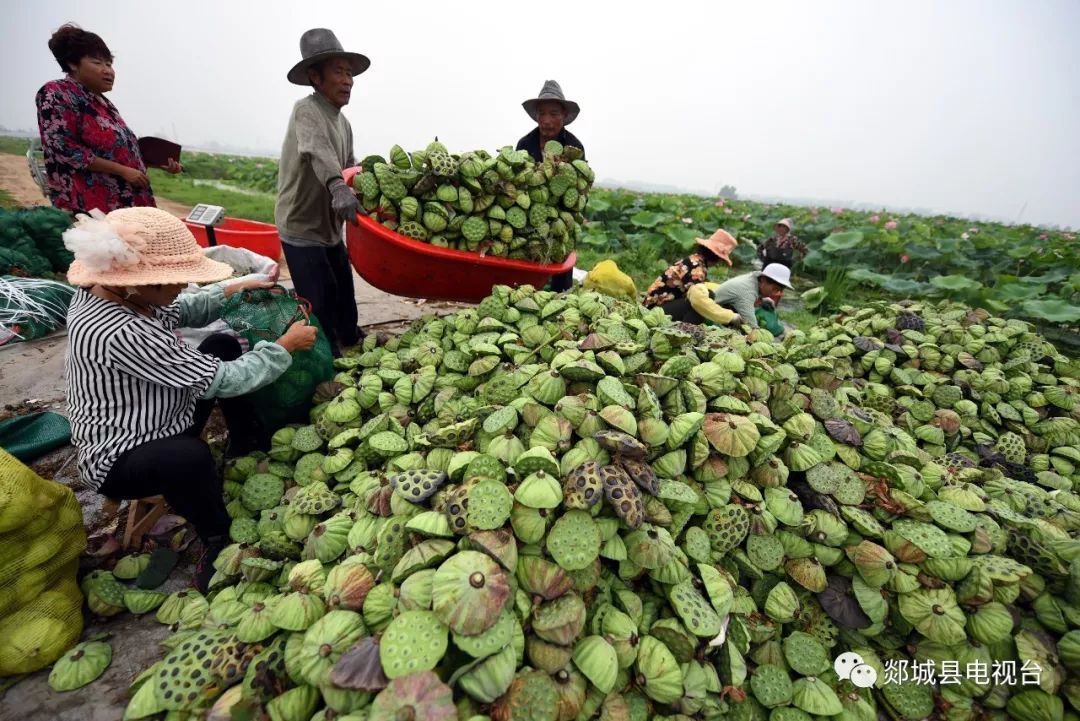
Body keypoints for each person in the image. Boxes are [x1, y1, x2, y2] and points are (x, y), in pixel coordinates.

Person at [63, 207, 318, 592]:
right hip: (122, 454)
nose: (183, 286)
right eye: (175, 280)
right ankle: (215, 537)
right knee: (188, 456)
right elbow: (226, 379)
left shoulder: (118, 296)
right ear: (137, 282)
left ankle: (245, 441)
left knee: (221, 344)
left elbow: (178, 309)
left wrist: (232, 289)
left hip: (160, 412)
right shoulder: (119, 330)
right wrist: (284, 347)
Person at [276, 28, 369, 358]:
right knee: (320, 299)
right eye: (338, 72)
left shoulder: (343, 123)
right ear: (315, 76)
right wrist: (337, 186)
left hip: (329, 229)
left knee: (344, 290)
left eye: (349, 73)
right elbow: (318, 152)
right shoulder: (307, 110)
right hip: (302, 227)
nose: (347, 81)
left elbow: (348, 166)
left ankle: (352, 338)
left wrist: (365, 190)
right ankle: (329, 359)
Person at [35, 24, 182, 216]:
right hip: (90, 205)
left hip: (127, 201)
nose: (108, 71)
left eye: (109, 64)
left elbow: (115, 151)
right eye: (97, 63)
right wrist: (122, 171)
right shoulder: (56, 93)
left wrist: (155, 163)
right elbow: (64, 148)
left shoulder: (103, 103)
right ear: (73, 64)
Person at [516, 80, 585, 293]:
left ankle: (560, 301)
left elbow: (581, 186)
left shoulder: (575, 147)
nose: (546, 120)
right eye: (542, 114)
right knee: (525, 260)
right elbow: (516, 179)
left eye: (554, 114)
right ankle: (522, 297)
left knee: (561, 260)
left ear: (564, 116)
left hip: (562, 215)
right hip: (529, 213)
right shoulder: (524, 144)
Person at [643, 228, 738, 309]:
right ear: (716, 258)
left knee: (708, 295)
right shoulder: (698, 269)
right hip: (657, 308)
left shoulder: (693, 259)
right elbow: (697, 297)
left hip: (652, 302)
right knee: (699, 304)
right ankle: (688, 327)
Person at [710, 263, 794, 330]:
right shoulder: (747, 291)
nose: (775, 293)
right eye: (775, 289)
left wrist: (763, 300)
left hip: (722, 308)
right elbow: (752, 326)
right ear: (763, 280)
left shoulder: (753, 280)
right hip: (710, 317)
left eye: (779, 291)